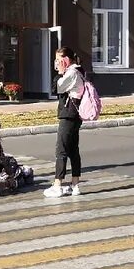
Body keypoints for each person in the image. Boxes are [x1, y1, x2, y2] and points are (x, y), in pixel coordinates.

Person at [44, 46, 85, 198]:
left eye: (59, 60)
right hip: (75, 115)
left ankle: (57, 185)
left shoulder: (72, 72)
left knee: (61, 150)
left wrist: (60, 73)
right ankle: (75, 185)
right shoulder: (79, 70)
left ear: (67, 60)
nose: (57, 63)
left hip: (68, 115)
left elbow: (56, 88)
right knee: (73, 150)